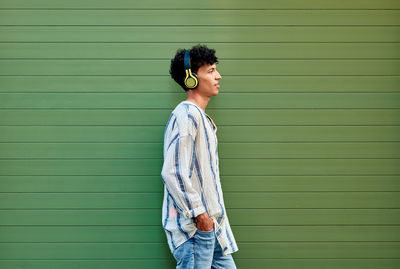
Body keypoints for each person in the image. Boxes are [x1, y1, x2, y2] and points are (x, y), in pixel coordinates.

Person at [161, 44, 238, 269]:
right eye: (211, 70)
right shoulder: (186, 116)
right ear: (191, 79)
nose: (218, 76)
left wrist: (209, 223)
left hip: (211, 230)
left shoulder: (199, 117)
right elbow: (172, 172)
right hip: (195, 232)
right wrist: (200, 216)